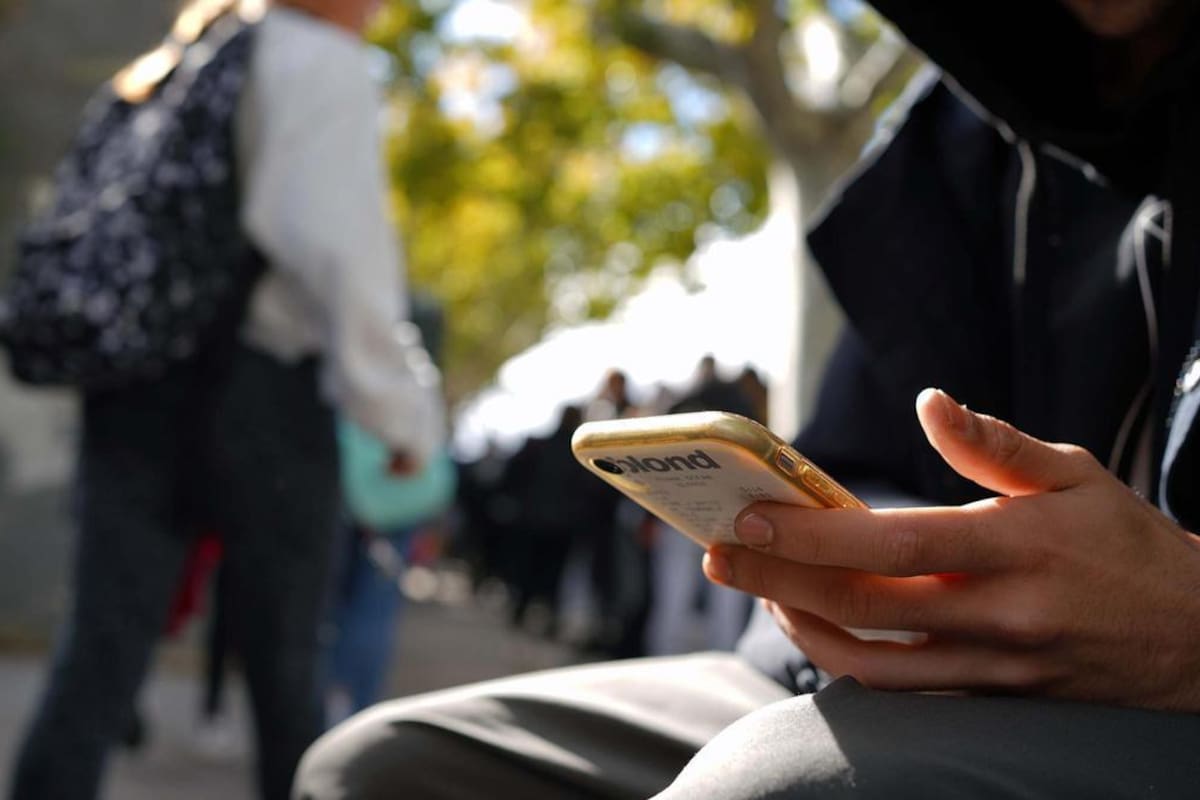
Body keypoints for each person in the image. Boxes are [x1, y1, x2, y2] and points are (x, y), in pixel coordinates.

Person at [293, 1, 1200, 798]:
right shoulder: (977, 124)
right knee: (384, 762)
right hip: (897, 678)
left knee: (776, 782)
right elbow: (866, 450)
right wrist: (858, 570)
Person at [8, 0, 443, 798]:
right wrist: (399, 415)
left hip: (138, 394)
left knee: (98, 661)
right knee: (285, 679)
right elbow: (340, 260)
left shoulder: (184, 53)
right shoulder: (320, 59)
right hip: (263, 399)